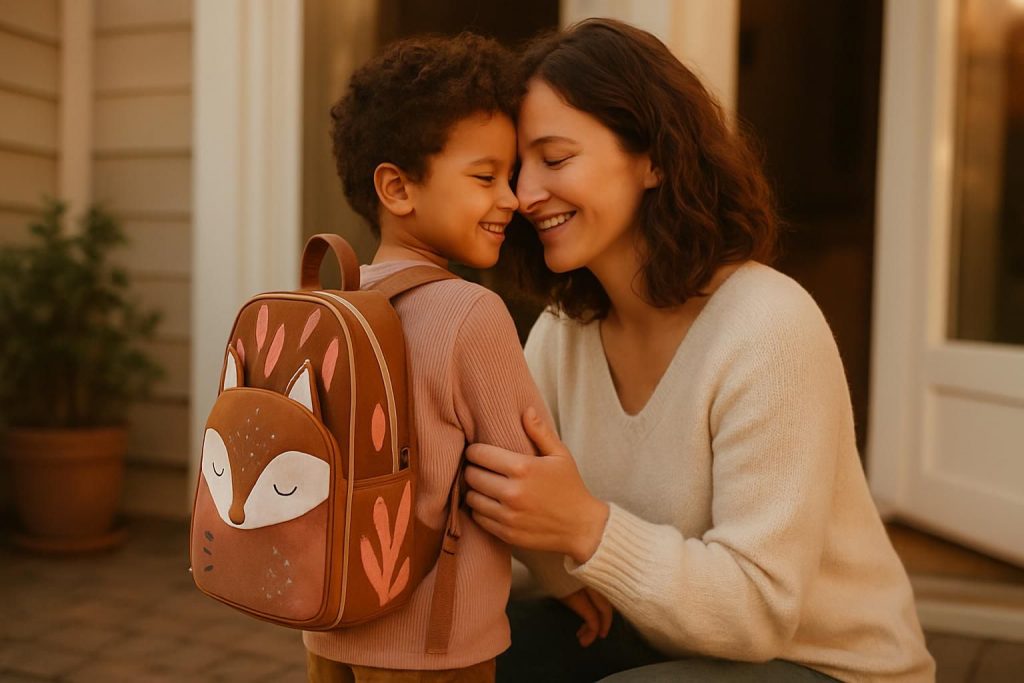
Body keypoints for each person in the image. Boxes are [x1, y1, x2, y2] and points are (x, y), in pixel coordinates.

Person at [463, 19, 936, 682]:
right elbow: (522, 536)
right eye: (516, 169)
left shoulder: (768, 328)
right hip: (651, 638)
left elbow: (757, 613)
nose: (525, 194)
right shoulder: (563, 334)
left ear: (653, 158)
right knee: (462, 657)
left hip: (823, 664)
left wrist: (585, 525)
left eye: (556, 158)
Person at [304, 33, 551, 683]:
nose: (514, 199)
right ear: (397, 187)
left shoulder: (334, 304)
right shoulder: (473, 314)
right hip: (434, 646)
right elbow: (526, 490)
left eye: (513, 174)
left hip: (328, 624)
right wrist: (573, 583)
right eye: (485, 176)